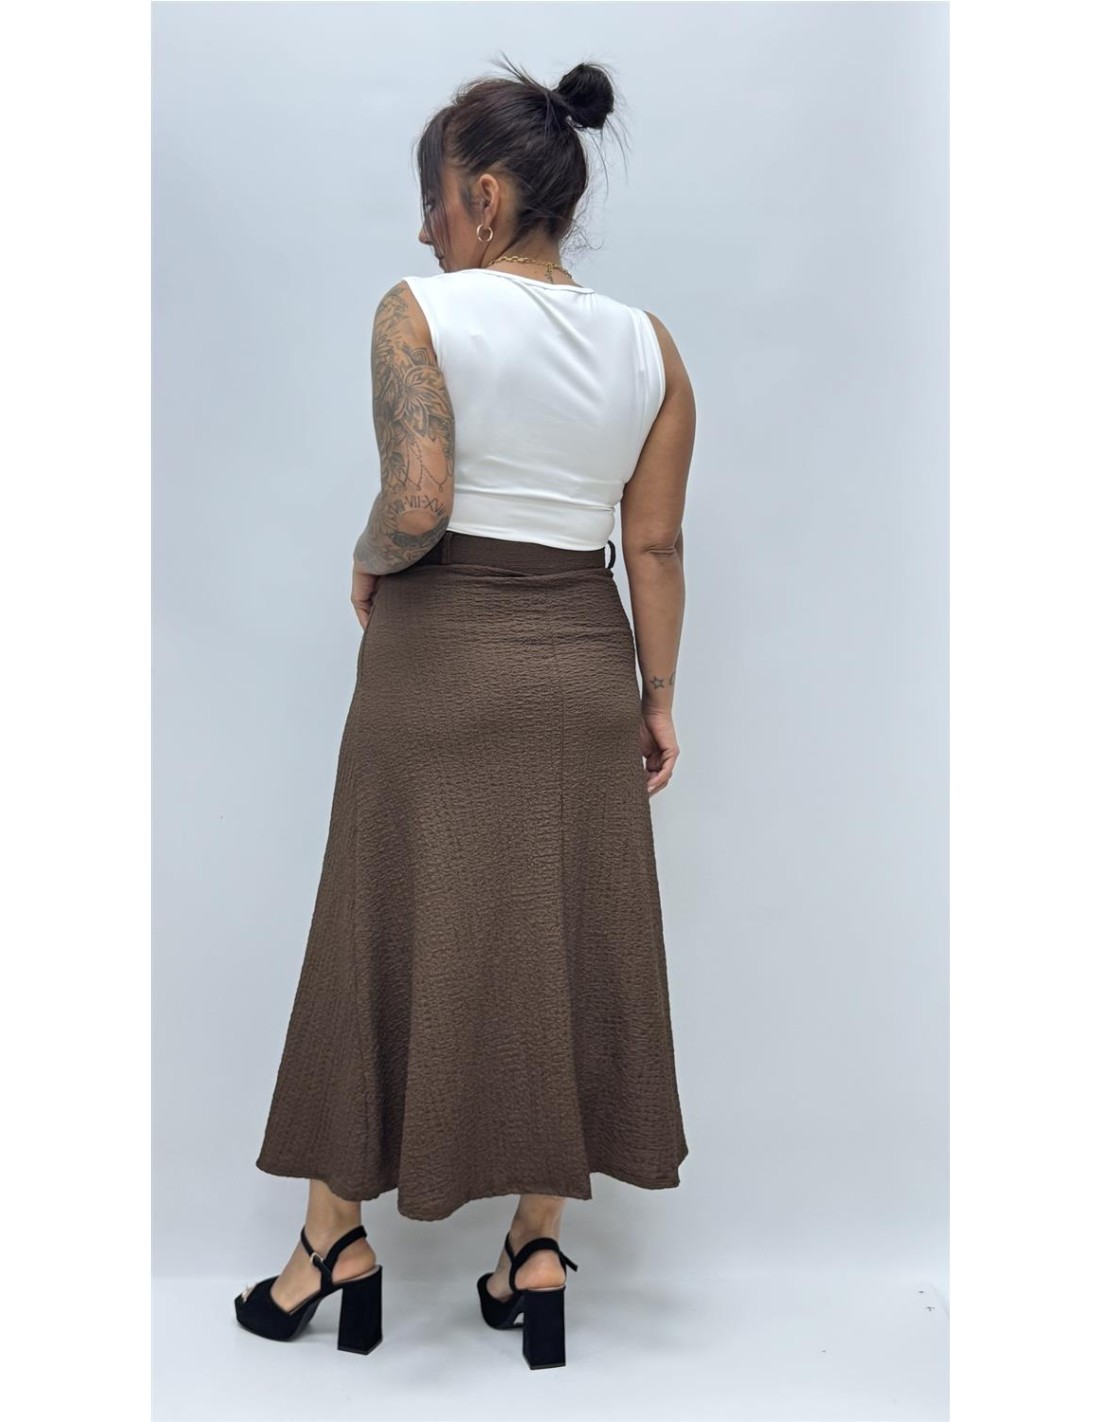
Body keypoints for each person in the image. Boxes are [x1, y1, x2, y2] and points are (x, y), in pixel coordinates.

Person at [235, 55, 696, 1369]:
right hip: (583, 663)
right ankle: (535, 1249)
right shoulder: (650, 345)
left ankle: (333, 1240)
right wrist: (657, 698)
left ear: (485, 196)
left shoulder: (418, 313)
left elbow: (421, 501)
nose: (426, 228)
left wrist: (366, 557)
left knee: (379, 927)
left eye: (436, 200)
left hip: (438, 659)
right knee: (562, 937)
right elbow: (654, 546)